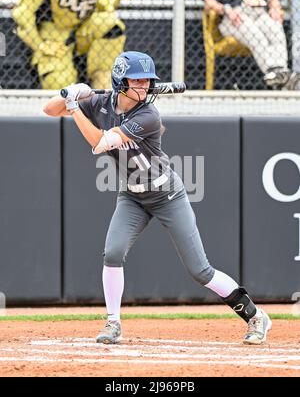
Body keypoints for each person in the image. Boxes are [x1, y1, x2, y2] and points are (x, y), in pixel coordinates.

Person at [43, 50, 272, 346]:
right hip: (132, 197)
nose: (146, 87)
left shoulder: (148, 115)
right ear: (120, 81)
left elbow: (101, 143)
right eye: (137, 81)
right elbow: (49, 110)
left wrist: (74, 108)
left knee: (199, 270)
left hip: (168, 196)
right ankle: (113, 323)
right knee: (113, 252)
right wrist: (68, 94)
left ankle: (256, 317)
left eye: (147, 81)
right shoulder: (100, 103)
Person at [12, 0, 134, 89]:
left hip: (88, 30)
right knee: (57, 82)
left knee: (107, 21)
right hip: (55, 36)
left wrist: (110, 2)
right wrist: (40, 44)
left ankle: (103, 82)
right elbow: (22, 15)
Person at [203, 0, 298, 89]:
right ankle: (274, 72)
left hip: (259, 13)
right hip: (234, 16)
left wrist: (275, 7)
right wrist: (226, 9)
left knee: (275, 28)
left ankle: (281, 72)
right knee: (257, 36)